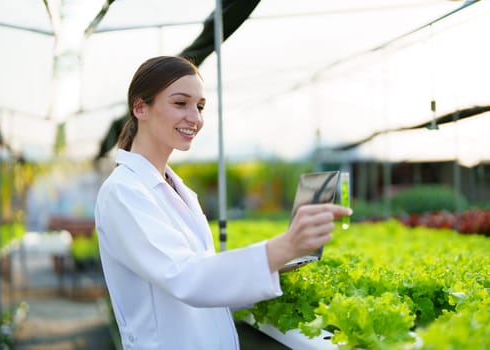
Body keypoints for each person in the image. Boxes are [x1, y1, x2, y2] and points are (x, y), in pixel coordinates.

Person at [94, 56, 352, 350]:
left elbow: (203, 272)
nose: (195, 117)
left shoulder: (173, 187)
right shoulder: (123, 192)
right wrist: (282, 247)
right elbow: (186, 277)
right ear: (140, 107)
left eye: (200, 106)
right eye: (181, 103)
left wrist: (277, 262)